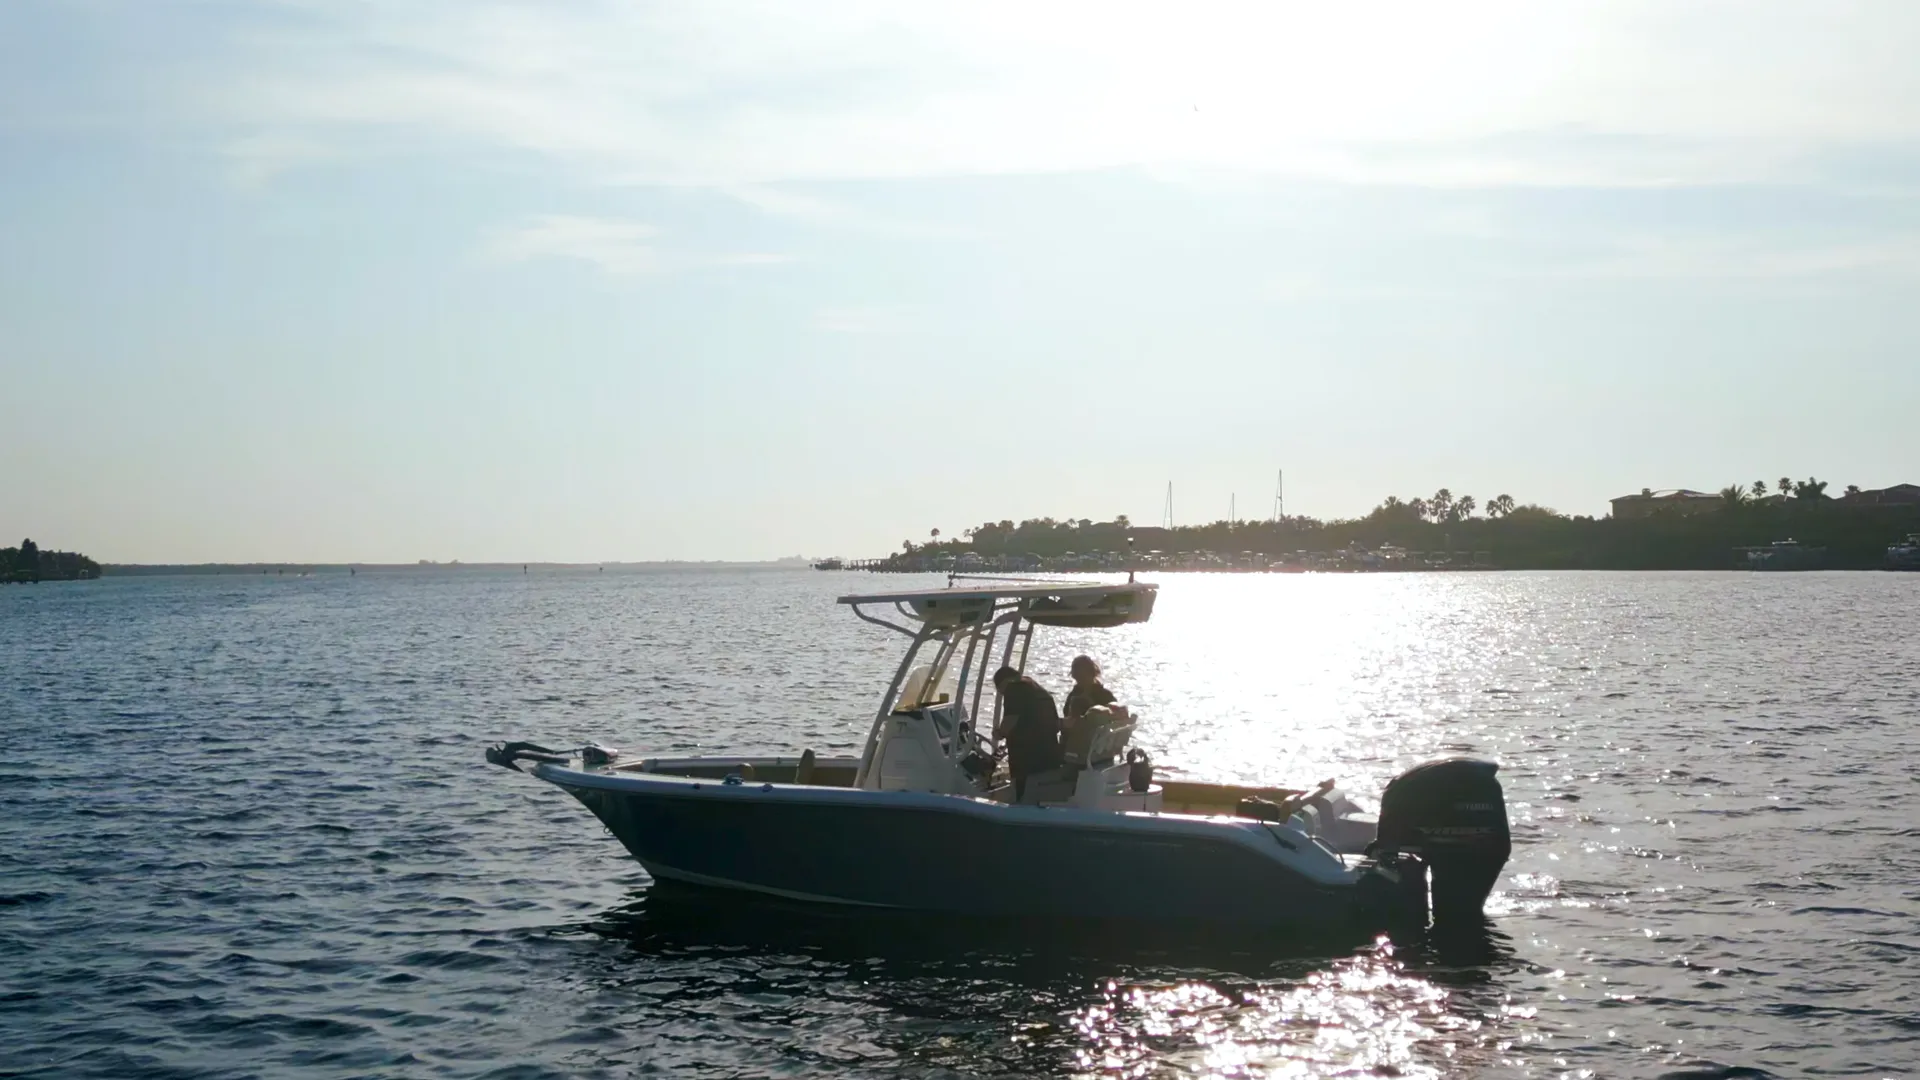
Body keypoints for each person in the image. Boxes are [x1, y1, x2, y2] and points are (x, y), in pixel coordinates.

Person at [992, 665, 1062, 802]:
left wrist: (999, 733)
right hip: (1049, 753)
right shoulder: (1038, 689)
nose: (1002, 694)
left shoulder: (1015, 688)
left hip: (1027, 757)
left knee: (1021, 792)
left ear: (1003, 682)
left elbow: (1010, 720)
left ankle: (1018, 805)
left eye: (1000, 690)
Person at [1063, 655, 1117, 725]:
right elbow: (1067, 718)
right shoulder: (1073, 696)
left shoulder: (1105, 695)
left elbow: (1115, 717)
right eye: (1076, 677)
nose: (1079, 681)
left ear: (1092, 674)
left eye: (1082, 676)